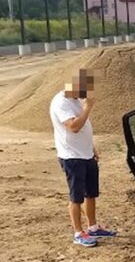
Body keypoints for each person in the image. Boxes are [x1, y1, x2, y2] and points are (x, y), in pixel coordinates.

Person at [49, 69, 116, 247]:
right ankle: (79, 233)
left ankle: (93, 227)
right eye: (84, 90)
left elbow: (82, 126)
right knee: (76, 198)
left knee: (91, 194)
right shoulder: (60, 103)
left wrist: (91, 147)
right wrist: (88, 106)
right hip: (72, 157)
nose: (86, 95)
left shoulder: (75, 99)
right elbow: (74, 126)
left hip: (85, 154)